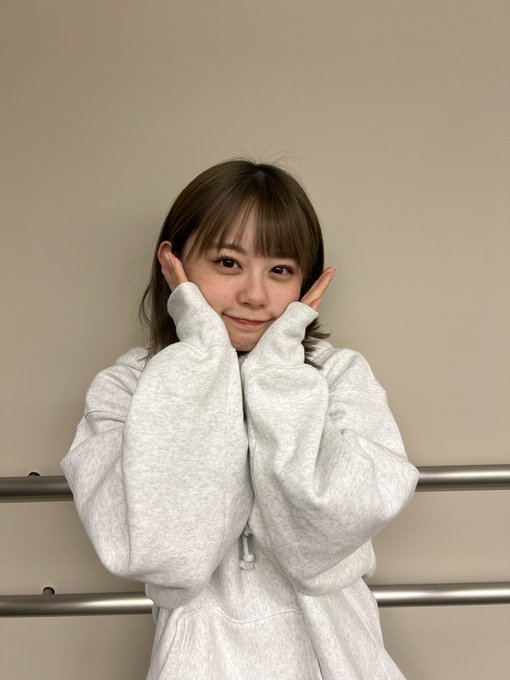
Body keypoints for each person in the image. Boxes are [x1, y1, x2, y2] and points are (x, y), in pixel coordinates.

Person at [61, 159, 419, 679]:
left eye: (280, 270)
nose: (255, 295)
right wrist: (203, 356)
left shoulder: (340, 377)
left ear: (307, 282)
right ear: (173, 264)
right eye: (228, 263)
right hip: (198, 660)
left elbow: (319, 538)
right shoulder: (125, 390)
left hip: (338, 655)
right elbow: (164, 552)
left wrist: (276, 372)